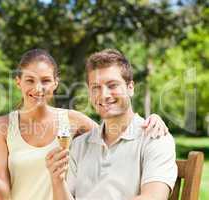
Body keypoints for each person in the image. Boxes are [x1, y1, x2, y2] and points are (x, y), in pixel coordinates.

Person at [0, 49, 169, 200]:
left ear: (55, 83)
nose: (38, 88)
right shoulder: (3, 125)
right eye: (30, 80)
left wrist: (151, 120)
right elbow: (4, 194)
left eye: (45, 80)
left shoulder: (75, 123)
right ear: (18, 82)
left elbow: (113, 133)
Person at [46, 49, 177, 200]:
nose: (104, 95)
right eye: (96, 87)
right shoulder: (80, 145)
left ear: (130, 88)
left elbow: (154, 197)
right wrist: (57, 180)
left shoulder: (155, 138)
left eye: (112, 85)